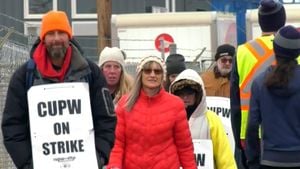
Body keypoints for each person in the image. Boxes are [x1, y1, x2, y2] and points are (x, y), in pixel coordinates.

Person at [1, 10, 116, 169]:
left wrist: (98, 157)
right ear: (43, 38)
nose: (56, 39)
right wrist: (30, 164)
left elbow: (106, 119)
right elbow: (12, 126)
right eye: (51, 33)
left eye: (61, 32)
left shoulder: (91, 73)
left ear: (69, 36)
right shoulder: (23, 77)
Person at [107, 56, 196, 169]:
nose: (152, 75)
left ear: (163, 76)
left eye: (157, 71)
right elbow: (118, 144)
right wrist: (114, 165)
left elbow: (185, 147)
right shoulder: (124, 103)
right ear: (141, 74)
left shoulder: (176, 104)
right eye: (148, 70)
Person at [230, 0, 286, 168]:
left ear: (261, 22)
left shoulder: (242, 52)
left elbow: (235, 102)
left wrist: (239, 140)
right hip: (289, 134)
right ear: (282, 21)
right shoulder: (294, 49)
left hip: (251, 135)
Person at [246, 25, 300, 169]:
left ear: (275, 49)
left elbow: (252, 126)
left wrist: (252, 161)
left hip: (270, 160)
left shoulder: (260, 82)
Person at [170, 69, 237, 169]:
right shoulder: (168, 120)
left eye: (189, 93)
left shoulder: (212, 120)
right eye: (181, 93)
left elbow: (225, 158)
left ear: (198, 94)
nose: (185, 97)